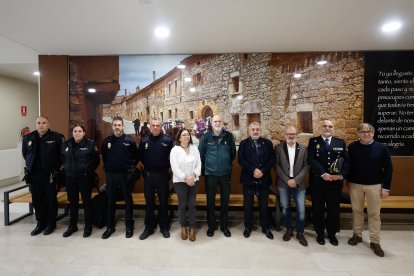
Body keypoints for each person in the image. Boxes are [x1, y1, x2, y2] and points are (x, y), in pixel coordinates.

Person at [347, 123, 393, 257]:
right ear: (358, 134)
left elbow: (389, 169)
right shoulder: (352, 147)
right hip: (355, 185)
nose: (366, 134)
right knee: (357, 211)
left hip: (375, 186)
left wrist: (386, 188)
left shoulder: (382, 148)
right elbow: (348, 165)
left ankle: (375, 241)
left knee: (374, 214)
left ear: (373, 133)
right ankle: (357, 235)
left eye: (369, 131)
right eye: (363, 131)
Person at [308, 119, 350, 246]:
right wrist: (323, 174)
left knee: (333, 210)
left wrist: (342, 175)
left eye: (330, 126)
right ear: (320, 128)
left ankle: (332, 234)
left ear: (333, 128)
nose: (327, 128)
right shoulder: (313, 141)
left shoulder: (340, 142)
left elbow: (347, 161)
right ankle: (320, 233)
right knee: (318, 209)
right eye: (325, 126)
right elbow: (311, 159)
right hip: (317, 183)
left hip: (334, 184)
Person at [22, 116, 64, 236]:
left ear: (48, 124)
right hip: (34, 175)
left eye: (44, 123)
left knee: (51, 200)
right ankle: (40, 223)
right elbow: (26, 154)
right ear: (36, 124)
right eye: (39, 123)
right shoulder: (28, 138)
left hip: (51, 175)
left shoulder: (56, 137)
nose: (41, 125)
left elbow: (62, 156)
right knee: (37, 200)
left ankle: (51, 223)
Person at [101, 116, 139, 239]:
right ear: (112, 126)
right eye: (115, 125)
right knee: (110, 201)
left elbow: (136, 157)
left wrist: (130, 168)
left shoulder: (130, 140)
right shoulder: (107, 141)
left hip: (125, 175)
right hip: (111, 175)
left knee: (128, 201)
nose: (117, 127)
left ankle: (129, 225)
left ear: (122, 126)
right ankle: (110, 226)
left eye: (119, 125)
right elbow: (105, 158)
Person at [198, 114, 236, 237]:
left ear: (222, 122)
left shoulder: (229, 137)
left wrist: (224, 164)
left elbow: (232, 154)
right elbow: (201, 155)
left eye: (220, 121)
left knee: (225, 202)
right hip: (211, 175)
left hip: (225, 175)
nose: (218, 123)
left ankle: (224, 226)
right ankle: (211, 226)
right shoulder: (206, 137)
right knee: (210, 202)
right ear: (212, 123)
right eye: (215, 121)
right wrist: (207, 168)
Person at [61, 123, 100, 238]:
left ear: (83, 133)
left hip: (85, 178)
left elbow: (96, 161)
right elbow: (63, 158)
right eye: (75, 131)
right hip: (70, 177)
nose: (77, 133)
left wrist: (87, 170)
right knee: (72, 202)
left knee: (86, 201)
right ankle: (73, 225)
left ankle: (88, 226)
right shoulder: (66, 145)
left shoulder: (90, 144)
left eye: (79, 131)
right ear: (72, 133)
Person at [238, 122, 275, 239]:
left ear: (260, 130)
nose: (255, 131)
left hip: (263, 179)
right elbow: (241, 160)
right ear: (249, 131)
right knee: (248, 205)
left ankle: (266, 227)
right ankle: (248, 227)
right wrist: (253, 170)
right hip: (248, 179)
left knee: (264, 205)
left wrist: (262, 171)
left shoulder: (268, 143)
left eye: (257, 129)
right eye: (253, 129)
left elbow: (272, 160)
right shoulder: (243, 144)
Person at [138, 118, 173, 240]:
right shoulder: (144, 141)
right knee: (149, 203)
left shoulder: (168, 140)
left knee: (164, 202)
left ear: (161, 126)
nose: (156, 127)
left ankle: (164, 227)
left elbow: (171, 158)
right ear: (150, 127)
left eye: (158, 125)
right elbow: (141, 157)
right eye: (153, 125)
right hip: (149, 175)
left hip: (163, 175)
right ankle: (149, 227)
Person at [275, 126, 309, 246]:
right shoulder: (278, 148)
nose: (291, 136)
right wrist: (287, 180)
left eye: (293, 134)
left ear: (296, 135)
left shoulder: (304, 149)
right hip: (283, 184)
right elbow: (277, 166)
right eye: (288, 134)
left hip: (299, 184)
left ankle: (300, 232)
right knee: (285, 207)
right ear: (284, 135)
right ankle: (289, 230)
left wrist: (296, 180)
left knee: (301, 210)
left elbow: (306, 166)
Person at [170, 128, 201, 241]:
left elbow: (198, 164)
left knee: (192, 204)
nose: (186, 136)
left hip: (194, 180)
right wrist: (185, 178)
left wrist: (193, 176)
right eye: (183, 135)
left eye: (188, 135)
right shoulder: (175, 150)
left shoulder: (194, 149)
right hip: (180, 182)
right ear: (179, 137)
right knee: (182, 204)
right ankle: (183, 227)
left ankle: (192, 228)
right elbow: (175, 168)